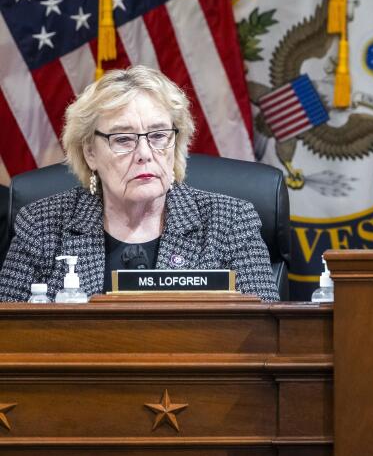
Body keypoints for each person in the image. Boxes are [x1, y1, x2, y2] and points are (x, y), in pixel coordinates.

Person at [0, 66, 278, 302]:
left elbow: (265, 336)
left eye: (158, 136)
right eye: (123, 139)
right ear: (90, 153)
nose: (144, 153)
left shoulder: (229, 222)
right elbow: (8, 337)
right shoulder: (41, 225)